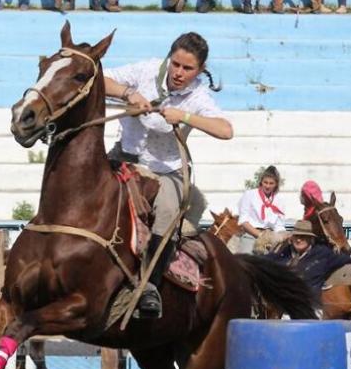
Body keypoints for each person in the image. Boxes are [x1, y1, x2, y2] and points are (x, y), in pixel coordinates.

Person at [104, 32, 233, 318]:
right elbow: (97, 77)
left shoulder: (198, 95)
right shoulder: (146, 70)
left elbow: (226, 130)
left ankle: (149, 286)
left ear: (199, 71)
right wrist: (127, 93)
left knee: (167, 214)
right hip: (124, 158)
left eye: (187, 69)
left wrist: (184, 117)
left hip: (166, 173)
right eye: (175, 64)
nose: (178, 73)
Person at [267, 220, 351, 293]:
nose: (299, 240)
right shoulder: (283, 253)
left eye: (303, 237)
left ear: (310, 239)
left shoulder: (321, 254)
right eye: (296, 236)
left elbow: (345, 260)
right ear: (292, 238)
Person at [237, 165, 287, 255]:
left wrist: (280, 236)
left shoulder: (279, 200)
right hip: (251, 235)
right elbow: (244, 221)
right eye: (265, 182)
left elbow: (279, 225)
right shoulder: (249, 195)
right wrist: (260, 235)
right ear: (261, 182)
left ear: (276, 185)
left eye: (271, 183)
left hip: (271, 237)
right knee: (245, 261)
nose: (267, 186)